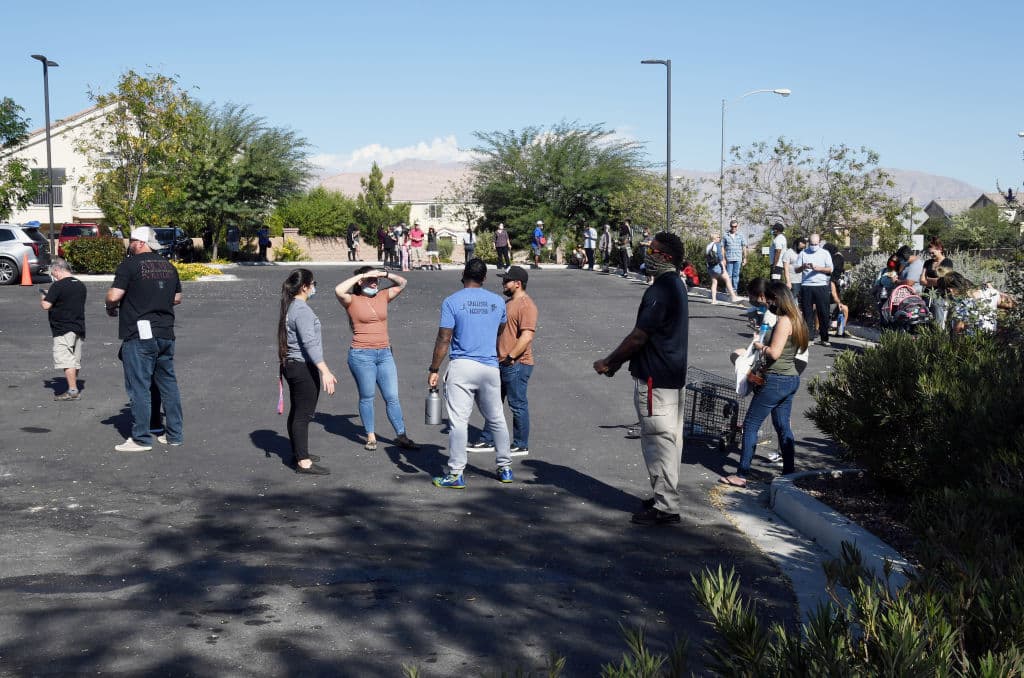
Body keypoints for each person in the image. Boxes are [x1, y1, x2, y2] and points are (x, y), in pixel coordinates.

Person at [593, 232, 688, 526]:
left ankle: (666, 506)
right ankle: (665, 495)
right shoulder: (676, 285)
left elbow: (639, 336)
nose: (647, 254)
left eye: (653, 250)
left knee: (658, 441)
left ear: (666, 257)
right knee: (670, 441)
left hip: (655, 381)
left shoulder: (660, 290)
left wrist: (610, 362)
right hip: (671, 376)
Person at [427, 259, 513, 488]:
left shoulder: (452, 301)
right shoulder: (497, 302)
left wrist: (434, 368)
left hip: (462, 366)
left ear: (463, 275)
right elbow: (501, 328)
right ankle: (505, 467)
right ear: (484, 278)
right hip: (489, 367)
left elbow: (444, 337)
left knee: (458, 422)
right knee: (496, 418)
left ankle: (456, 473)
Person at [721, 282, 809, 488]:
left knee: (751, 425)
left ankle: (742, 474)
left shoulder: (784, 322)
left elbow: (774, 353)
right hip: (791, 378)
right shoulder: (798, 319)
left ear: (778, 299)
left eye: (770, 299)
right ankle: (789, 473)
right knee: (782, 426)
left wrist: (760, 346)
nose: (767, 303)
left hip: (776, 380)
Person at [104, 227, 185, 452]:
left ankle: (141, 438)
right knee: (167, 384)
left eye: (131, 241)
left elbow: (114, 295)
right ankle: (173, 434)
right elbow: (177, 298)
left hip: (139, 334)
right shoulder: (169, 266)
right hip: (165, 332)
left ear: (140, 242)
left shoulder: (129, 265)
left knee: (139, 386)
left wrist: (110, 305)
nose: (129, 244)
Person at [335, 266, 419, 452]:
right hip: (361, 355)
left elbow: (403, 283)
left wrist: (384, 274)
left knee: (392, 397)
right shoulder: (351, 300)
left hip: (384, 354)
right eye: (370, 280)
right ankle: (371, 436)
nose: (375, 283)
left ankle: (401, 435)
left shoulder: (383, 296)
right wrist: (363, 275)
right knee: (367, 396)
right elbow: (338, 290)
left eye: (377, 280)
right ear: (361, 281)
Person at [468, 265, 538, 456]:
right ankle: (488, 439)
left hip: (516, 364)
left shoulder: (526, 305)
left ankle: (521, 444)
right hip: (501, 362)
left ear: (518, 283)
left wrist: (511, 357)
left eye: (506, 280)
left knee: (517, 404)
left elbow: (526, 336)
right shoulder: (508, 303)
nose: (503, 283)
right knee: (493, 403)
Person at [278, 268, 336, 474]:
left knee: (296, 412)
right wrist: (325, 371)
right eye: (313, 284)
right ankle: (303, 461)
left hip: (292, 364)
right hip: (301, 366)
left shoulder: (291, 306)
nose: (314, 287)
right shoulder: (301, 310)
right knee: (303, 415)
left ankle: (299, 451)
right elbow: (309, 343)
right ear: (304, 287)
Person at [41, 257, 87, 401]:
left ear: (57, 270)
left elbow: (46, 306)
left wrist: (43, 296)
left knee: (66, 359)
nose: (53, 276)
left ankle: (72, 390)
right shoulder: (80, 285)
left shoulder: (58, 286)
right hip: (79, 326)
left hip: (63, 328)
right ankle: (72, 386)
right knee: (74, 359)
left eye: (53, 273)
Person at [940, 272, 1015, 336]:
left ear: (950, 290)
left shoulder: (961, 305)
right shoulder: (989, 293)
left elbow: (958, 332)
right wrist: (996, 291)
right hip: (991, 342)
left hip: (972, 345)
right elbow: (1010, 304)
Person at [795, 233, 834, 347]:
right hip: (806, 285)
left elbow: (830, 269)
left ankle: (824, 338)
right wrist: (804, 266)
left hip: (821, 285)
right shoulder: (803, 253)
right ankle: (809, 337)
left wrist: (818, 268)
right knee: (807, 313)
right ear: (808, 243)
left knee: (824, 313)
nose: (813, 246)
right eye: (812, 244)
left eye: (816, 244)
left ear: (819, 243)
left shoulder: (825, 253)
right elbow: (796, 269)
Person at [920, 237, 954, 328]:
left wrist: (928, 279)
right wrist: (935, 281)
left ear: (940, 249)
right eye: (929, 253)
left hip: (940, 296)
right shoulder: (927, 263)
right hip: (927, 295)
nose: (931, 255)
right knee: (925, 320)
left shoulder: (947, 262)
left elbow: (944, 281)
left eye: (933, 253)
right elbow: (922, 280)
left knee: (938, 321)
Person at [705, 233, 743, 304]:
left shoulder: (708, 246)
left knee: (714, 282)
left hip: (710, 267)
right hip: (717, 266)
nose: (719, 238)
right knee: (727, 279)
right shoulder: (717, 245)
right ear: (714, 238)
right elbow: (720, 257)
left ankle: (713, 300)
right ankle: (733, 297)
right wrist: (723, 268)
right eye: (718, 237)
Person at [823, 242, 849, 337]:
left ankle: (835, 325)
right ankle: (837, 326)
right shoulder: (839, 256)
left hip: (832, 282)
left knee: (835, 304)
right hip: (834, 283)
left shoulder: (836, 258)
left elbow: (831, 270)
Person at [723, 220, 748, 292]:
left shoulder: (741, 235)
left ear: (737, 226)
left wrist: (745, 258)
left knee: (736, 275)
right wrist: (724, 258)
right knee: (729, 275)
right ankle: (728, 290)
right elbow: (722, 247)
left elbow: (744, 247)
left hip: (738, 258)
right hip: (729, 258)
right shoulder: (725, 235)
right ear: (730, 226)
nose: (734, 228)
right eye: (732, 226)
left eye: (735, 226)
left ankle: (734, 290)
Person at [783, 236, 806, 302]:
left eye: (803, 247)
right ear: (796, 244)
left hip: (803, 280)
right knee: (793, 299)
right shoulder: (788, 253)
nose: (802, 249)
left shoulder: (803, 253)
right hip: (793, 281)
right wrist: (788, 281)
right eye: (801, 247)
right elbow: (786, 269)